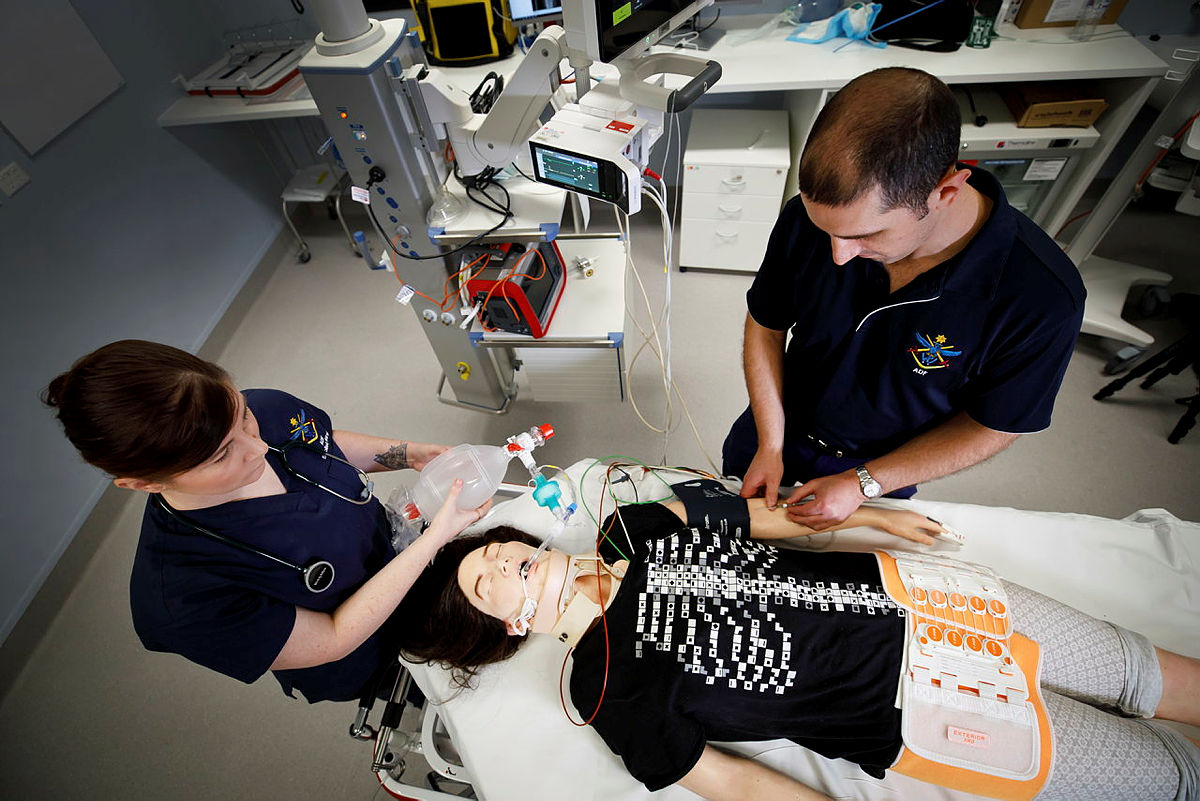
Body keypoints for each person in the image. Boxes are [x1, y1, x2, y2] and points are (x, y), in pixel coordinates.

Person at [398, 481, 1200, 801]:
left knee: (1137, 669)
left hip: (912, 591)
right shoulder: (598, 684)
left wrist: (870, 515)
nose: (502, 559)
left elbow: (775, 521)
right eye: (484, 578)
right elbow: (735, 784)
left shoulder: (627, 523)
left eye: (497, 547)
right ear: (504, 623)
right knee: (1170, 777)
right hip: (921, 708)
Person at [722, 67, 1086, 530]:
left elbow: (994, 425)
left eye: (866, 234)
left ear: (946, 191)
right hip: (769, 432)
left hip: (879, 474)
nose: (838, 255)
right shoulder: (810, 221)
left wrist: (864, 483)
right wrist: (770, 443)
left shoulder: (1040, 298)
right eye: (825, 230)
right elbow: (767, 323)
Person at [43, 339, 490, 703]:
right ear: (142, 484)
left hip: (415, 561)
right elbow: (333, 637)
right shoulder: (182, 599)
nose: (258, 449)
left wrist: (409, 454)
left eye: (243, 416)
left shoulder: (268, 411)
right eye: (221, 454)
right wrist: (432, 544)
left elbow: (321, 443)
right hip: (377, 652)